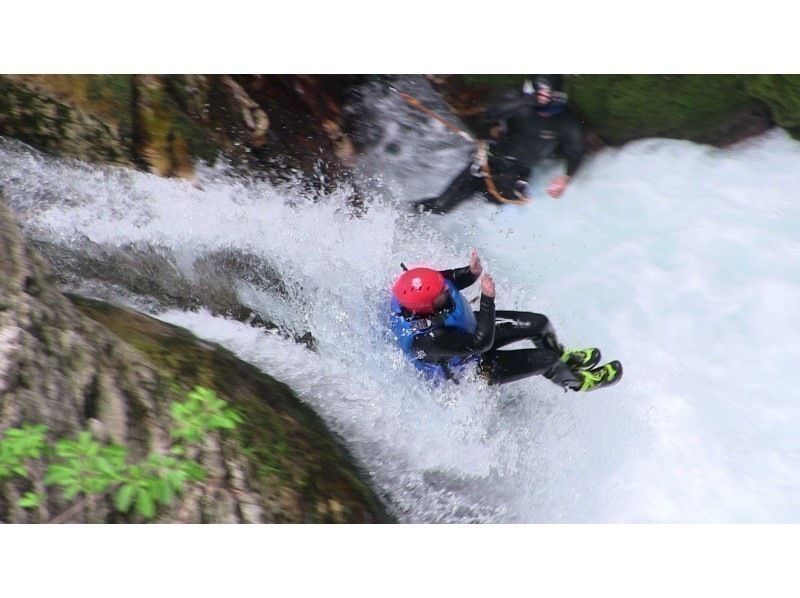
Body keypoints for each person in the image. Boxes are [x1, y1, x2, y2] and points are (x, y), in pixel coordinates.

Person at [389, 250, 622, 390]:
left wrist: (470, 272)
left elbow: (448, 279)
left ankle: (565, 357)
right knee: (546, 360)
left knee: (539, 324)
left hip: (469, 333)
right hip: (470, 368)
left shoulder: (420, 290)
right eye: (442, 295)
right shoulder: (431, 339)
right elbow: (481, 344)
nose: (447, 290)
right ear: (428, 310)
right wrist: (488, 300)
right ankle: (580, 382)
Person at [413, 75, 585, 214]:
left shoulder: (566, 122)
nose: (544, 99)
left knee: (502, 209)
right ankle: (403, 212)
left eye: (548, 95)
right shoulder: (519, 102)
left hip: (516, 175)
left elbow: (576, 153)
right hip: (489, 162)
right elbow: (491, 114)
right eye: (540, 94)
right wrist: (526, 101)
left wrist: (566, 177)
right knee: (442, 205)